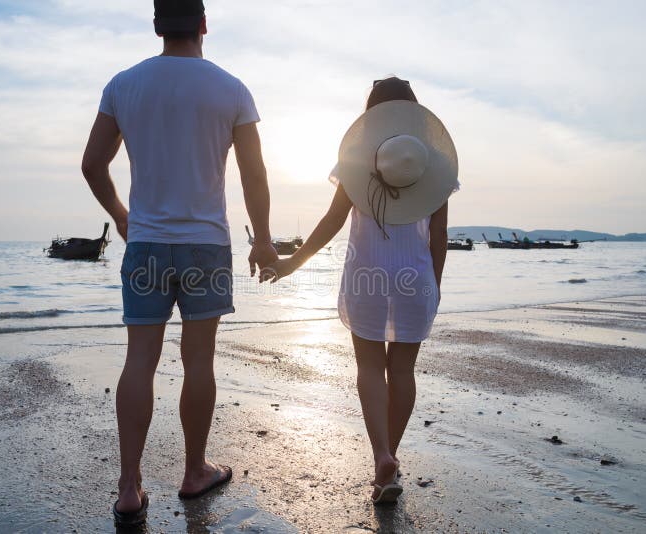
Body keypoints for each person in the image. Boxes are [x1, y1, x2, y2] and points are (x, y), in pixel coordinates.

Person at [81, 0, 278, 526]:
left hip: (146, 244)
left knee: (138, 361)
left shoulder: (124, 84)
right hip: (205, 246)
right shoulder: (230, 88)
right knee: (199, 361)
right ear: (203, 24)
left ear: (156, 26)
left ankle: (129, 487)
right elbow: (254, 174)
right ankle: (194, 471)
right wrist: (262, 240)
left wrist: (123, 218)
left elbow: (92, 164)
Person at [262, 77, 459, 505]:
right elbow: (439, 235)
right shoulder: (435, 165)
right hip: (415, 276)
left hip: (365, 274)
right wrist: (436, 285)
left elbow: (332, 221)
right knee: (402, 370)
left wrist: (293, 263)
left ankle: (381, 457)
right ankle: (391, 458)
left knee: (369, 368)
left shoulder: (355, 160)